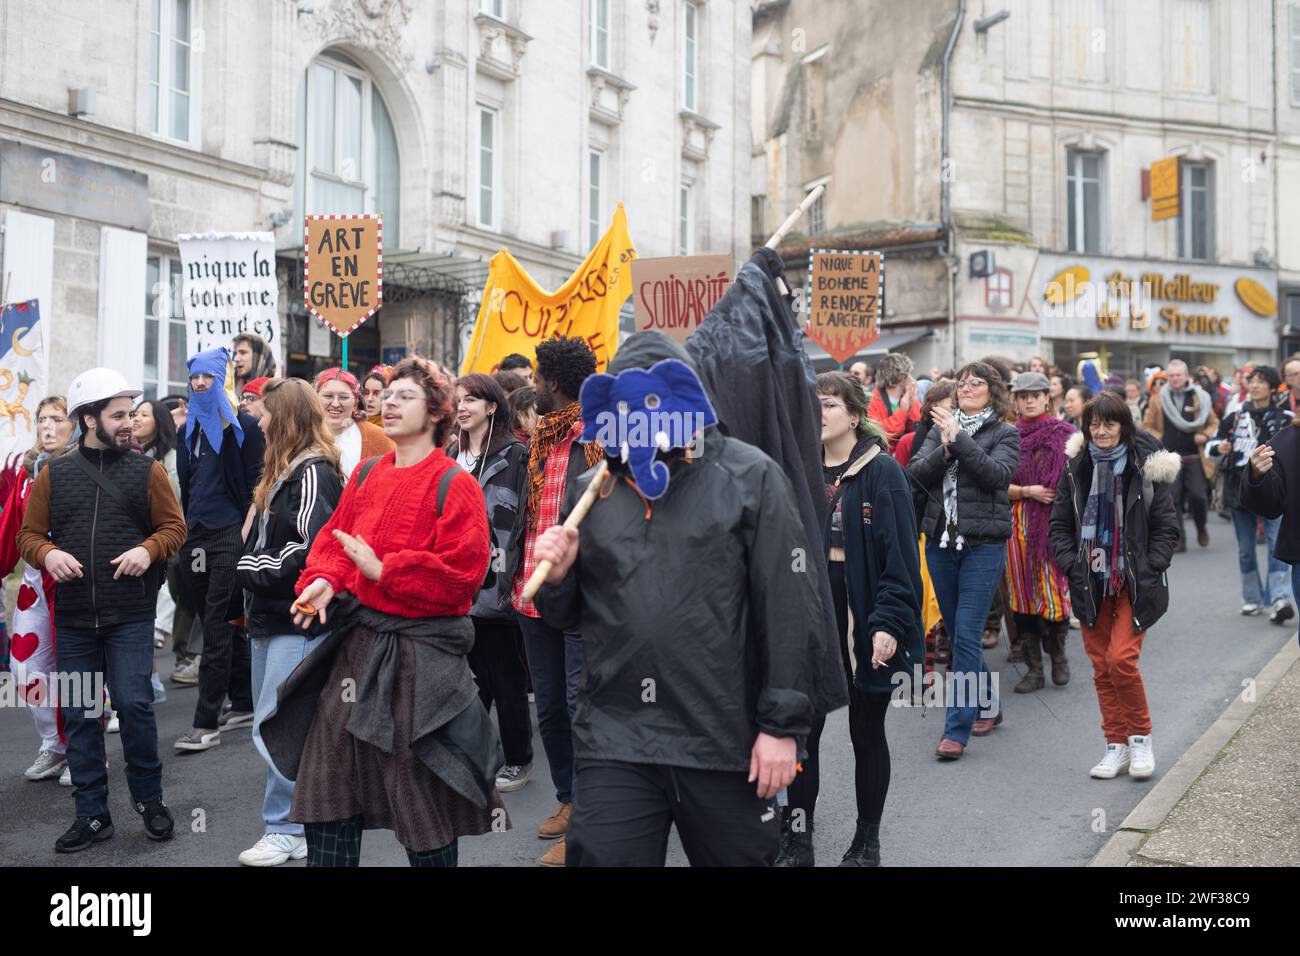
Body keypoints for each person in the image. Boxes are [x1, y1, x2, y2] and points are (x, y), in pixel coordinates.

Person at [533, 331, 834, 867]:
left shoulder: (750, 476)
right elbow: (566, 617)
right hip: (616, 738)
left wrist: (781, 729)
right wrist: (559, 575)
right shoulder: (590, 490)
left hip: (722, 736)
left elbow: (788, 610)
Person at [261, 356, 506, 868]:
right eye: (388, 394)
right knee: (327, 788)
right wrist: (325, 581)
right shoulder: (369, 471)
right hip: (356, 651)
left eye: (404, 396)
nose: (389, 402)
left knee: (420, 799)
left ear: (437, 412)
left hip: (420, 662)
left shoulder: (453, 482)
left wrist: (385, 569)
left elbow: (465, 577)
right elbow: (333, 540)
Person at [17, 368, 187, 852]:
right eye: (118, 415)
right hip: (72, 622)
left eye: (131, 413)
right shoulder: (55, 474)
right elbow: (28, 537)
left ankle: (149, 801)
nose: (130, 422)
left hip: (130, 617)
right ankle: (92, 815)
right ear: (89, 419)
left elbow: (175, 529)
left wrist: (148, 551)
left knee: (134, 706)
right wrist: (48, 555)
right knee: (81, 713)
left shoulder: (148, 470)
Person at [774, 371, 922, 867]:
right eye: (811, 405)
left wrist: (886, 623)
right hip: (810, 621)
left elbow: (900, 562)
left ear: (854, 416)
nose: (818, 414)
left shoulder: (883, 473)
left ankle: (867, 840)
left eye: (828, 406)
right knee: (802, 733)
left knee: (866, 733)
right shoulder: (796, 469)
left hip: (863, 616)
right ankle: (798, 839)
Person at [234, 378, 344, 866]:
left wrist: (246, 568)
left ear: (288, 418)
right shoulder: (283, 471)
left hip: (296, 619)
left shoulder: (314, 472)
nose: (259, 420)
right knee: (279, 726)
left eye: (266, 413)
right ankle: (295, 821)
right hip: (271, 618)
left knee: (278, 726)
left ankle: (287, 827)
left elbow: (310, 549)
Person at [1050, 391, 1180, 780]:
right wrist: (1072, 566)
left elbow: (1166, 527)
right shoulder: (1076, 469)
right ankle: (1116, 745)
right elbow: (1059, 526)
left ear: (1124, 427)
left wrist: (1151, 566)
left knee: (1120, 660)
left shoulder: (1145, 469)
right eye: (1094, 424)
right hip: (1090, 579)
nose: (1101, 431)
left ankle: (1140, 739)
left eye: (1109, 423)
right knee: (1101, 668)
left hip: (1133, 582)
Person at [509, 336, 603, 867]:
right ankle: (569, 799)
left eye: (537, 377)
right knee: (549, 709)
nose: (532, 385)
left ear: (553, 381)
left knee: (580, 708)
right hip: (532, 595)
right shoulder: (540, 439)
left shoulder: (597, 437)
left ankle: (589, 825)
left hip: (581, 598)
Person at [907, 361, 1020, 759]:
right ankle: (990, 704)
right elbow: (915, 475)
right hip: (940, 542)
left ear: (993, 390)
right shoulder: (939, 429)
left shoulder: (1005, 432)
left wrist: (962, 441)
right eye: (963, 383)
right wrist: (947, 445)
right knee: (959, 635)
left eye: (977, 383)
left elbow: (997, 476)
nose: (968, 388)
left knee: (967, 636)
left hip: (982, 545)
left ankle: (956, 729)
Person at [172, 347, 266, 754]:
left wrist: (246, 532)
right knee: (212, 614)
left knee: (216, 623)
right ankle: (243, 699)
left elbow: (255, 486)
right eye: (194, 377)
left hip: (231, 533)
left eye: (208, 376)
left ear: (221, 378)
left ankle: (205, 722)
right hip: (196, 536)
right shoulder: (186, 430)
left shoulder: (244, 428)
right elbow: (188, 483)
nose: (200, 383)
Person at [448, 374, 533, 793]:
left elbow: (520, 525)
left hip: (499, 584)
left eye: (471, 400)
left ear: (492, 407)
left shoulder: (516, 455)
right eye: (457, 400)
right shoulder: (451, 454)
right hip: (457, 585)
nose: (461, 407)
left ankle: (519, 758)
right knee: (468, 679)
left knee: (507, 678)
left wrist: (510, 581)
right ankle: (474, 757)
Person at [1, 397, 75, 783]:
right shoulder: (27, 470)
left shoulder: (83, 465)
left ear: (74, 423)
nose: (48, 426)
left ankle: (84, 749)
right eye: (42, 419)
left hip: (70, 585)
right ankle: (54, 743)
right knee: (24, 667)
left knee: (76, 670)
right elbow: (12, 525)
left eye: (57, 419)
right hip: (33, 586)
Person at [1004, 372, 1076, 693]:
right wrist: (1027, 490)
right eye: (1023, 395)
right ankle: (1034, 669)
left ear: (1048, 397)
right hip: (1017, 525)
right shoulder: (1007, 436)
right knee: (1021, 597)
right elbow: (993, 482)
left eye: (1036, 394)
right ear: (1015, 401)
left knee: (1055, 593)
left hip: (1055, 525)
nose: (1029, 400)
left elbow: (1078, 483)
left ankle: (1058, 655)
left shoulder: (1067, 435)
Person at [1206, 366, 1295, 622]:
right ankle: (1252, 598)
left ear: (1272, 386)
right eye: (1252, 381)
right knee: (1245, 549)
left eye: (1261, 381)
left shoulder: (1285, 417)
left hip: (1276, 490)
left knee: (1276, 545)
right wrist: (1219, 447)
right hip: (1239, 491)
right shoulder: (1235, 416)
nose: (1255, 386)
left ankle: (1279, 599)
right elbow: (1212, 445)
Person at [1142, 359, 1219, 552]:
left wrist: (1205, 435)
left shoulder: (1199, 397)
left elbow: (1213, 422)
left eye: (1179, 375)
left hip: (1194, 455)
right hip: (1169, 457)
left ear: (1186, 376)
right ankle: (1179, 539)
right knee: (1173, 499)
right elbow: (1147, 426)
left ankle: (1201, 527)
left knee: (1198, 496)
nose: (1175, 379)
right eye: (1172, 375)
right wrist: (1161, 438)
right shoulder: (1158, 398)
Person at [132, 398, 180, 699]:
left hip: (159, 544)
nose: (135, 419)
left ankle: (145, 686)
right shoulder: (131, 454)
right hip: (136, 542)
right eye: (133, 414)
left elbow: (173, 505)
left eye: (143, 414)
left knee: (149, 615)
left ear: (159, 422)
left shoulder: (169, 460)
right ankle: (151, 683)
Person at [313, 367, 394, 478]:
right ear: (315, 398)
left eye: (344, 397)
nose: (335, 404)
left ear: (356, 403)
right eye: (328, 396)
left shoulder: (379, 438)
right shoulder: (302, 436)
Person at [865, 352, 920, 451]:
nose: (912, 378)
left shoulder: (908, 397)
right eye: (909, 374)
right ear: (900, 377)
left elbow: (917, 429)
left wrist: (912, 401)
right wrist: (903, 410)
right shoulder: (873, 400)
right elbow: (884, 433)